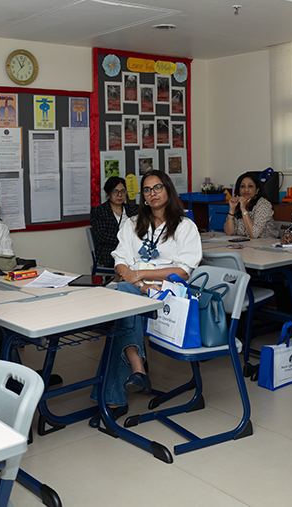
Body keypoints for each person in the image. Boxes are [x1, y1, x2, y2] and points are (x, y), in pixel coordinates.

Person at [89, 170, 202, 427]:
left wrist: (141, 275)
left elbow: (183, 270)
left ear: (168, 189)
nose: (153, 193)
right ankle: (134, 372)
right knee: (124, 303)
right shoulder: (132, 224)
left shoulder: (185, 226)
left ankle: (122, 386)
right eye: (147, 190)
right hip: (135, 290)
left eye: (158, 187)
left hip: (167, 295)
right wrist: (139, 284)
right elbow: (119, 262)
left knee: (121, 302)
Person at [90, 176, 138, 268]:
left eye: (122, 191)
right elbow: (101, 236)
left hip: (134, 250)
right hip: (111, 252)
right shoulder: (99, 211)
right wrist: (125, 241)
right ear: (108, 194)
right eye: (115, 191)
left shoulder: (134, 209)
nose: (120, 195)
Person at [224, 172, 277, 239]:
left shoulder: (263, 204)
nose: (246, 189)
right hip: (245, 243)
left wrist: (243, 209)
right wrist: (232, 209)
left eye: (250, 186)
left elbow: (253, 234)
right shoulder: (238, 203)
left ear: (257, 190)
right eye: (243, 186)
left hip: (265, 243)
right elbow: (229, 232)